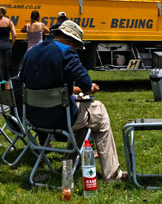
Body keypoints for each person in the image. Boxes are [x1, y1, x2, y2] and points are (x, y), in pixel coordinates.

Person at [19, 20, 128, 182]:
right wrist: (91, 88)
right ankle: (112, 173)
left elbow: (24, 80)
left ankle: (67, 167)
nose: (76, 49)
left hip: (34, 118)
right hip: (60, 117)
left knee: (85, 121)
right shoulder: (66, 52)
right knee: (99, 112)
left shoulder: (31, 52)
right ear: (71, 40)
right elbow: (85, 83)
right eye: (77, 45)